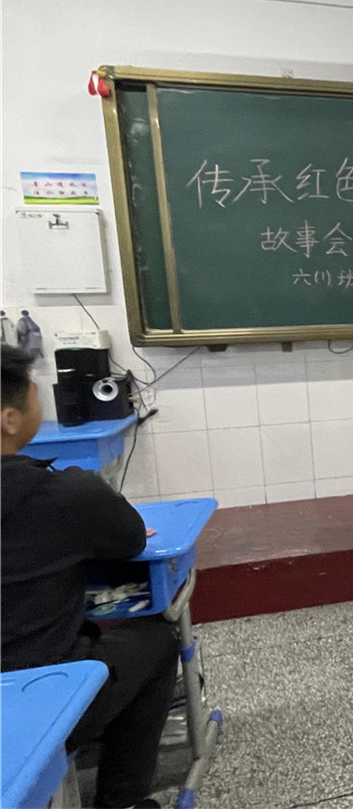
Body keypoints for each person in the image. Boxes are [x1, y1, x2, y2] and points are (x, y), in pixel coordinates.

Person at [1, 344, 178, 809]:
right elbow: (131, 540)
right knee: (157, 640)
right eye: (36, 395)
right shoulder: (66, 495)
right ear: (10, 419)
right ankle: (121, 800)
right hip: (44, 702)